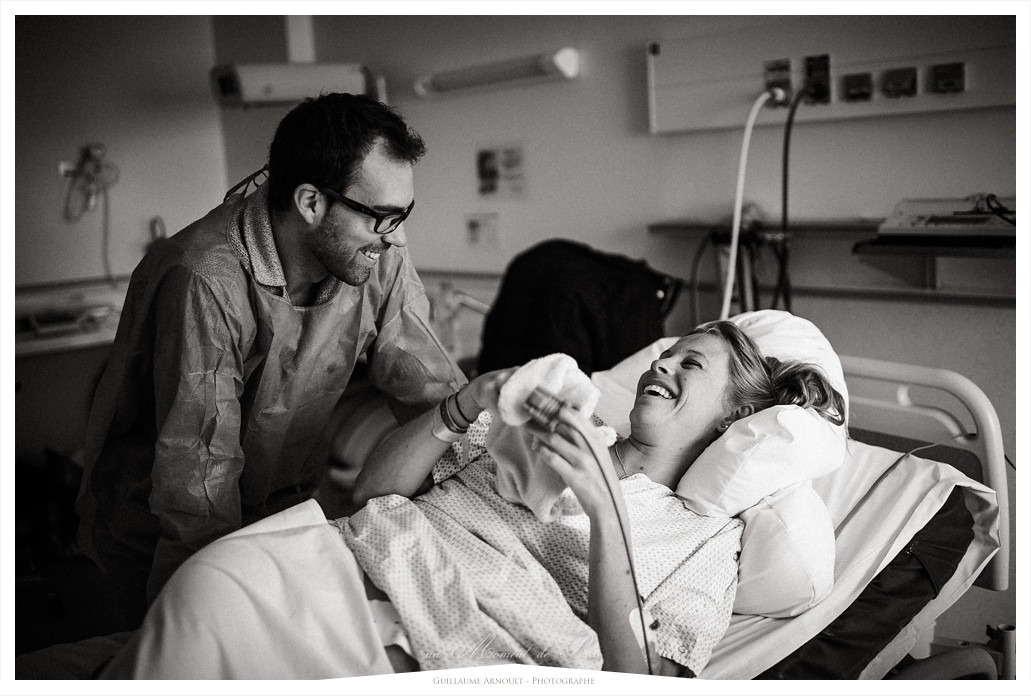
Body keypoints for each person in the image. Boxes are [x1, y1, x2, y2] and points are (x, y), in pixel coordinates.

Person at [103, 319, 846, 679]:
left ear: (732, 418)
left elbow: (647, 680)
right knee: (207, 585)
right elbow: (372, 490)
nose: (663, 365)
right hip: (348, 561)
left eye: (692, 365)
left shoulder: (705, 538)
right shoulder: (552, 422)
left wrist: (604, 508)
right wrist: (467, 403)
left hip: (440, 636)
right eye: (667, 353)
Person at [75, 93, 469, 626]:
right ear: (310, 203)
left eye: (404, 214)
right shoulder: (205, 278)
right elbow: (198, 473)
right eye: (382, 217)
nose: (397, 237)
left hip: (286, 505)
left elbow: (428, 382)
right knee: (193, 639)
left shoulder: (376, 256)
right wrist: (219, 599)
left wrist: (492, 439)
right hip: (167, 526)